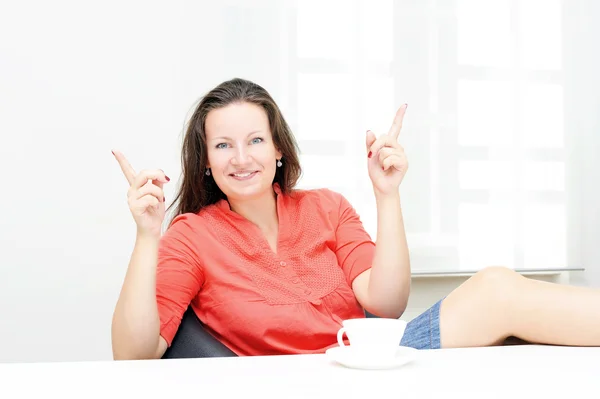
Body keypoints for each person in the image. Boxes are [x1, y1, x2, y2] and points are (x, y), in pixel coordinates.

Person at [111, 78, 600, 360]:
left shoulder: (326, 206)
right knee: (499, 294)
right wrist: (146, 237)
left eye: (255, 140)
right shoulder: (192, 235)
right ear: (206, 161)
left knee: (496, 287)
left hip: (371, 362)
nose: (242, 158)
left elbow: (385, 305)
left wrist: (386, 195)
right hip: (299, 380)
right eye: (223, 145)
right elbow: (135, 355)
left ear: (279, 148)